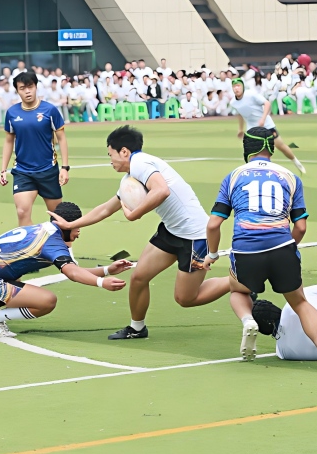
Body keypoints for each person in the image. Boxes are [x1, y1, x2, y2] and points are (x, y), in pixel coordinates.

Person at [48, 126, 231, 339]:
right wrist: (71, 224)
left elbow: (161, 190)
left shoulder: (140, 163)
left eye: (110, 154)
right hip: (171, 231)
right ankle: (137, 328)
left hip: (195, 236)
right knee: (139, 278)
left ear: (124, 151)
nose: (110, 160)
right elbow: (106, 209)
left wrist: (134, 214)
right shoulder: (130, 178)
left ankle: (237, 281)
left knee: (185, 299)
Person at [203, 127, 317, 371]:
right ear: (271, 147)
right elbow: (300, 227)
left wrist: (212, 254)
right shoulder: (290, 177)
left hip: (246, 251)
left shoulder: (233, 177)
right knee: (300, 303)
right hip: (282, 247)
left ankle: (248, 320)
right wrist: (286, 248)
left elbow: (214, 224)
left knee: (238, 290)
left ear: (247, 148)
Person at [0, 202, 133, 337]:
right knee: (47, 301)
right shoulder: (53, 243)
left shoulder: (45, 230)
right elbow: (72, 273)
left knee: (15, 280)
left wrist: (108, 270)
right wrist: (102, 283)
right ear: (65, 225)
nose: (79, 231)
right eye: (77, 226)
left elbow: (74, 270)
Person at [0, 71, 70, 228]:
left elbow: (62, 138)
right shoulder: (12, 113)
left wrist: (65, 168)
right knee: (22, 212)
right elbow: (9, 141)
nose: (27, 91)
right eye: (22, 88)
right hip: (23, 171)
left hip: (48, 170)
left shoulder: (50, 110)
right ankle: (32, 243)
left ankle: (60, 244)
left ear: (36, 87)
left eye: (30, 87)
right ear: (17, 91)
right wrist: (3, 169)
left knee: (58, 217)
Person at [230, 77, 307, 175]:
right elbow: (240, 114)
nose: (236, 88)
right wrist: (240, 129)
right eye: (234, 86)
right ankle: (254, 172)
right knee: (252, 151)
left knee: (280, 146)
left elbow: (267, 104)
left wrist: (263, 119)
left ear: (243, 87)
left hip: (266, 125)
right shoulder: (233, 102)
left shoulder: (251, 94)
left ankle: (296, 162)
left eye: (238, 86)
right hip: (252, 129)